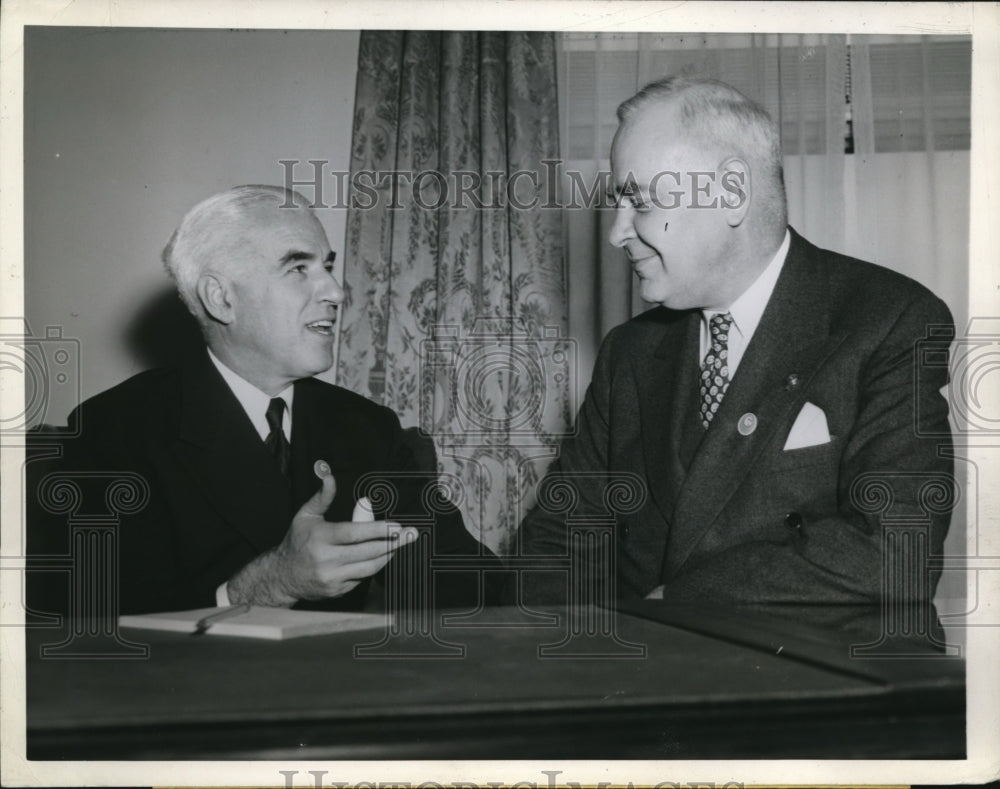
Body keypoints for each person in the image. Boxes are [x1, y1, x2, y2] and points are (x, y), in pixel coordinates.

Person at [514, 76, 954, 610]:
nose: (617, 233)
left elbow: (896, 550)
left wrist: (680, 599)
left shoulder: (889, 319)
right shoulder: (628, 354)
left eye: (642, 203)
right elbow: (562, 540)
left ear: (731, 193)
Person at [29, 185, 493, 615]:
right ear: (221, 298)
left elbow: (465, 582)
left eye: (327, 266)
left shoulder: (365, 427)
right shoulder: (115, 431)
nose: (334, 291)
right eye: (298, 268)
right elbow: (91, 626)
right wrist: (269, 584)